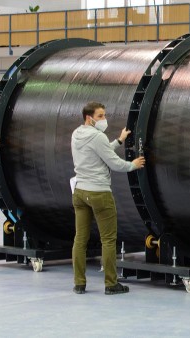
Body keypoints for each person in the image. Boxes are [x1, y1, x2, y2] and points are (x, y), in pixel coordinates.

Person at [71, 101, 145, 295]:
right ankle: (111, 284)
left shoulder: (77, 134)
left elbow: (100, 152)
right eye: (100, 116)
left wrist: (118, 141)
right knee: (108, 239)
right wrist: (133, 165)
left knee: (80, 239)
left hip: (80, 193)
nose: (104, 120)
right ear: (89, 118)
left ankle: (79, 283)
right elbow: (114, 164)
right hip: (99, 193)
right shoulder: (98, 136)